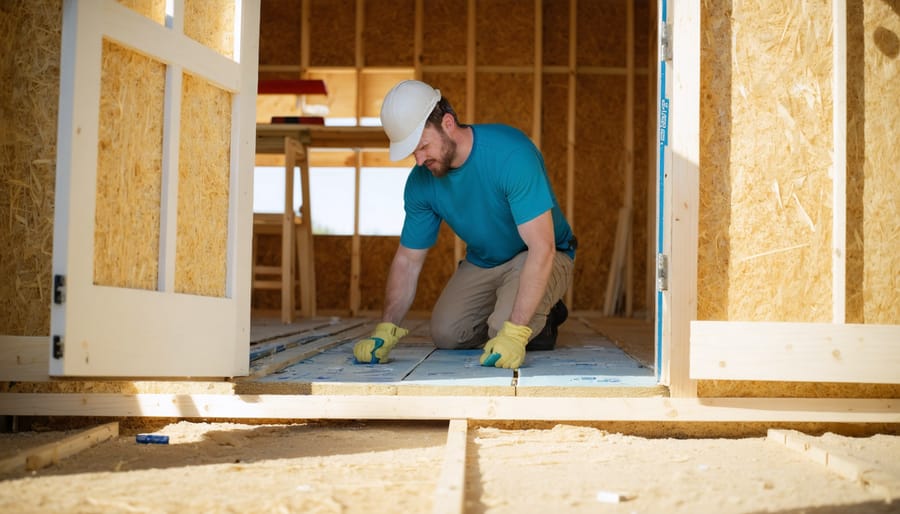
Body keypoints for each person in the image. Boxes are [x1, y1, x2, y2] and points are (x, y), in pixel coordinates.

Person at [352, 80, 576, 369]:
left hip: (540, 254)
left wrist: (515, 332)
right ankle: (518, 309)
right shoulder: (422, 183)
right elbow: (408, 261)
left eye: (423, 146)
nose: (419, 160)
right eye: (412, 153)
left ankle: (542, 318)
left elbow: (542, 247)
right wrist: (386, 328)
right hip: (485, 261)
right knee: (447, 333)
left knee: (502, 330)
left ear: (447, 123)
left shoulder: (510, 155)